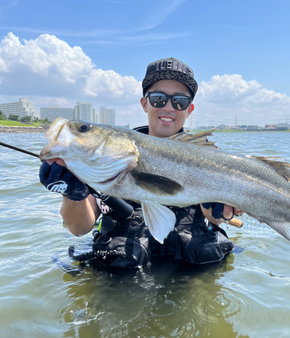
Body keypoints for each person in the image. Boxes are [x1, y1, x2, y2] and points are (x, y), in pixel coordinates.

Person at [40, 57, 243, 269]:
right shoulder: (106, 158)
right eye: (158, 99)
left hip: (192, 275)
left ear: (189, 110)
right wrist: (73, 195)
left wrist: (221, 207)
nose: (168, 107)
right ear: (144, 103)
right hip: (123, 278)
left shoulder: (207, 155)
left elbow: (216, 219)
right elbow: (78, 228)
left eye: (179, 102)